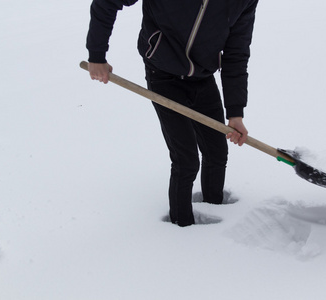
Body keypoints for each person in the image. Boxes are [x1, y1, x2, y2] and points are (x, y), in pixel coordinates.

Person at [86, 0, 259, 227]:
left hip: (202, 76)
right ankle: (182, 227)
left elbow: (236, 52)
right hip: (163, 73)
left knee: (216, 152)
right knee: (186, 160)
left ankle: (216, 215)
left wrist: (235, 113)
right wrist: (97, 55)